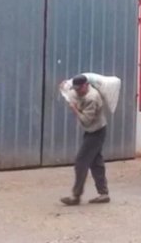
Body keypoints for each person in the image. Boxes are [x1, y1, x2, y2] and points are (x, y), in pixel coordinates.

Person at [60, 74, 110, 206]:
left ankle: (76, 196)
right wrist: (64, 86)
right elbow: (69, 91)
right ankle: (103, 193)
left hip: (96, 132)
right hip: (93, 131)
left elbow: (86, 121)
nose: (77, 91)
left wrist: (75, 110)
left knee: (81, 162)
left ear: (86, 85)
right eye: (75, 89)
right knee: (96, 162)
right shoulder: (77, 90)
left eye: (79, 89)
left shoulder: (92, 98)